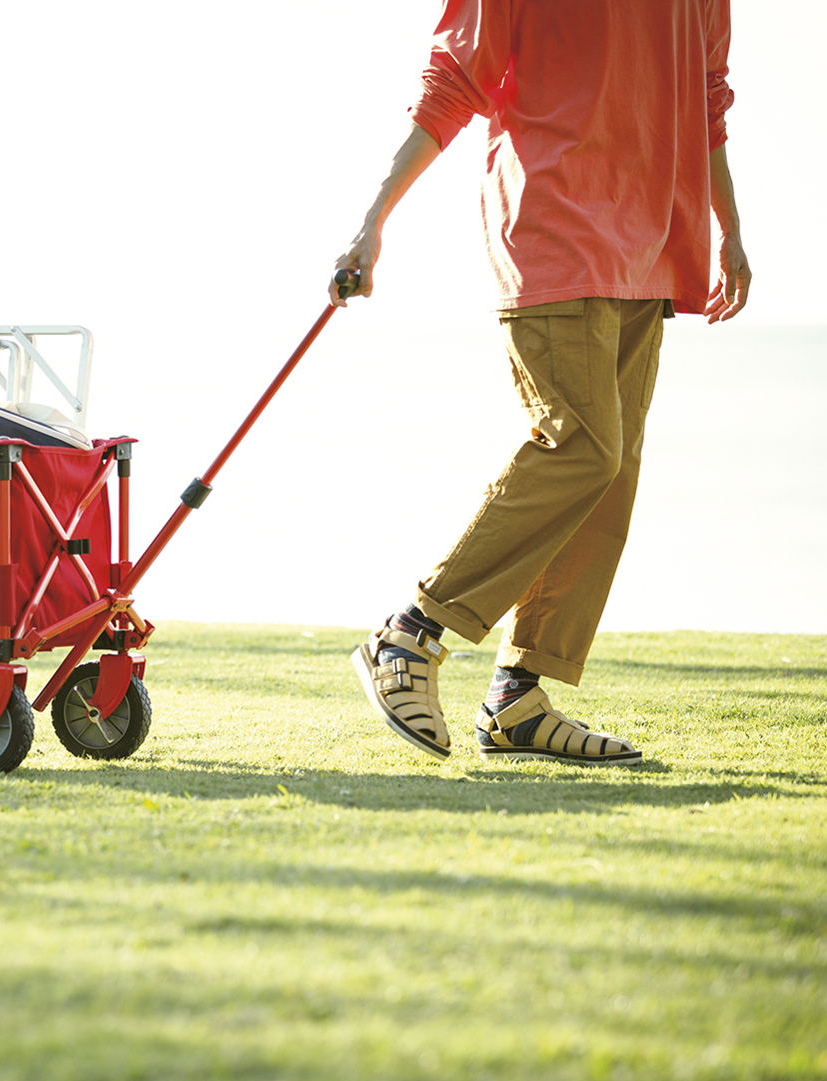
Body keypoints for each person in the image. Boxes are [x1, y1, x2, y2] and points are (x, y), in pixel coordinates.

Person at [336, 0, 750, 765]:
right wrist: (374, 220)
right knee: (583, 448)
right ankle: (411, 633)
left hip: (653, 241)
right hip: (555, 222)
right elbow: (454, 77)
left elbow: (706, 95)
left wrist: (730, 226)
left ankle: (518, 698)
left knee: (612, 471)